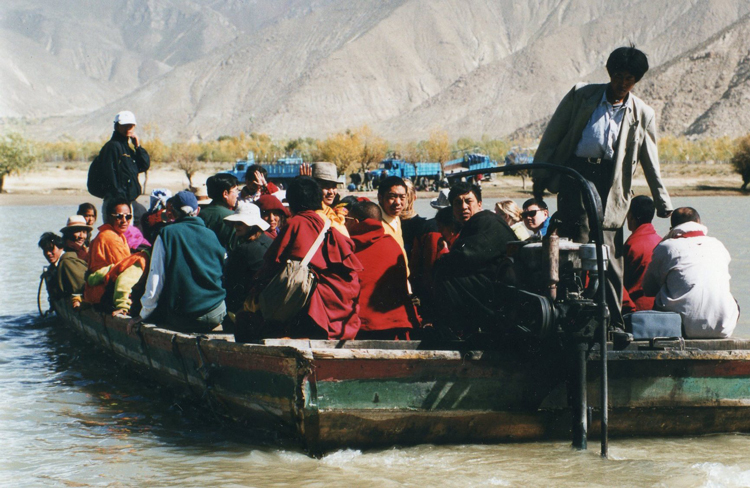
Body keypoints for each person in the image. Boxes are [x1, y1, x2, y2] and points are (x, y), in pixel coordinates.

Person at [531, 46, 673, 328]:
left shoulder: (642, 113)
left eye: (629, 79)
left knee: (609, 249)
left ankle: (613, 321)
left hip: (613, 182)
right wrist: (539, 178)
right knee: (579, 240)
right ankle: (575, 313)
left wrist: (663, 202)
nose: (622, 83)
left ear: (636, 81)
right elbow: (553, 136)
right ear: (610, 73)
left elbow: (650, 161)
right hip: (577, 174)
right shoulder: (581, 95)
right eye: (618, 76)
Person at [247, 176, 362, 340]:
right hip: (339, 311)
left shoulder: (297, 223)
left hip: (312, 311)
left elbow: (272, 264)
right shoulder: (331, 224)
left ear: (292, 203)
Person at [134, 191, 227, 333]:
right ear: (198, 211)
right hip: (217, 312)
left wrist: (144, 314)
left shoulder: (166, 234)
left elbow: (156, 279)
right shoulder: (211, 234)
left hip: (186, 316)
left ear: (172, 213)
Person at [432, 182, 516, 337]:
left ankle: (457, 331)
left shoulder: (487, 221)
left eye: (468, 201)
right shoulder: (473, 225)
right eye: (458, 203)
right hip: (492, 286)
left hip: (501, 290)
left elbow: (467, 255)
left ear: (479, 203)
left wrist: (443, 260)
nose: (463, 207)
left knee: (444, 274)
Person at [643, 207, 739, 339]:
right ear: (699, 222)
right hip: (722, 328)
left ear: (672, 227)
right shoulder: (718, 245)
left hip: (679, 329)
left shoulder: (666, 247)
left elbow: (648, 289)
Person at [346, 201, 420, 339]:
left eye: (347, 220)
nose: (345, 224)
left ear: (356, 222)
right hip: (396, 323)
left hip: (363, 325)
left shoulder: (350, 249)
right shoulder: (392, 244)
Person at [85, 199, 149, 317]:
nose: (124, 221)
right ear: (109, 217)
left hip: (97, 292)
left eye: (128, 216)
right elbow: (123, 269)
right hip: (103, 295)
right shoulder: (110, 237)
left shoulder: (114, 234)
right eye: (119, 217)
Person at [93, 111, 150, 224]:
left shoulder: (127, 149)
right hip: (116, 204)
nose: (128, 128)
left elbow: (144, 165)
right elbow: (110, 176)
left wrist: (138, 147)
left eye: (131, 125)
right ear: (117, 126)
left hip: (126, 203)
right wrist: (119, 202)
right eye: (124, 125)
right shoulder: (112, 147)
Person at [223, 201, 273, 314]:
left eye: (240, 223)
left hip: (249, 306)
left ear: (252, 225)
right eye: (235, 223)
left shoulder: (244, 250)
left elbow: (231, 281)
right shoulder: (269, 242)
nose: (236, 226)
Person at [622, 195, 662, 312]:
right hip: (660, 307)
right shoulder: (661, 241)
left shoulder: (632, 245)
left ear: (631, 217)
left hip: (636, 309)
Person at [301, 162, 349, 236]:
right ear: (314, 188)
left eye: (334, 187)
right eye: (326, 186)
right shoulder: (313, 213)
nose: (331, 192)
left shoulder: (336, 211)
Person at [199, 173, 240, 251]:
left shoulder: (201, 214)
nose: (237, 195)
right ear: (225, 194)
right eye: (236, 190)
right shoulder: (232, 217)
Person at [56, 219, 90, 310]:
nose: (81, 236)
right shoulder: (68, 259)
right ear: (68, 234)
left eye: (84, 232)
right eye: (77, 231)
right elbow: (81, 285)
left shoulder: (83, 252)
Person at [377, 176, 408, 251]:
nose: (398, 202)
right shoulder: (376, 222)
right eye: (392, 197)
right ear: (380, 198)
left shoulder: (396, 217)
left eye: (402, 197)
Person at [38, 232, 65, 305]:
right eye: (45, 250)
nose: (48, 253)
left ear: (61, 248)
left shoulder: (67, 263)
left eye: (51, 249)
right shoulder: (51, 268)